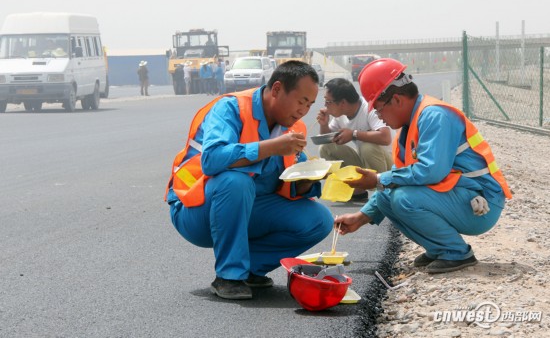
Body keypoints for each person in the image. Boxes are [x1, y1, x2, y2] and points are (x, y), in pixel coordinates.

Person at [165, 60, 333, 300]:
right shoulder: (231, 108)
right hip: (196, 209)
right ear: (276, 89)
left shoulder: (292, 129)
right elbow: (211, 160)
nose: (303, 111)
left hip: (247, 207)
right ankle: (229, 276)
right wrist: (268, 147)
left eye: (309, 104)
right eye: (300, 101)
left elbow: (290, 182)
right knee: (236, 182)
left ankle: (249, 269)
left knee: (319, 220)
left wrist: (308, 179)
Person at [334, 58, 512, 274]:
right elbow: (400, 179)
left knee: (403, 198)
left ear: (396, 100)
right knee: (385, 195)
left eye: (379, 110)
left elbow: (431, 171)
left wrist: (379, 179)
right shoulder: (410, 126)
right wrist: (360, 218)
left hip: (481, 202)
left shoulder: (434, 116)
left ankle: (456, 252)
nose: (379, 117)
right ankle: (440, 248)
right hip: (458, 196)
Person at [316, 78, 393, 201]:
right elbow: (328, 140)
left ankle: (384, 190)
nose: (325, 106)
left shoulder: (369, 108)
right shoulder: (340, 115)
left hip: (388, 165)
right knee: (326, 148)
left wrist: (353, 134)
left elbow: (386, 137)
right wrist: (324, 124)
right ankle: (357, 191)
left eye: (328, 102)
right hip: (365, 160)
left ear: (342, 103)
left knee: (367, 147)